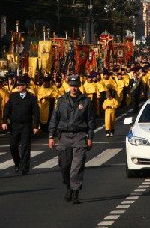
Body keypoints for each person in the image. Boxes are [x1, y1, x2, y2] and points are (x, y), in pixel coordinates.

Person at [48, 74, 95, 205]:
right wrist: (51, 136)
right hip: (63, 136)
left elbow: (90, 120)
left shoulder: (85, 101)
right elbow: (54, 118)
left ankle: (75, 192)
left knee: (77, 166)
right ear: (68, 86)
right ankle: (68, 186)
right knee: (65, 165)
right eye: (72, 85)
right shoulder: (61, 100)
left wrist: (90, 137)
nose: (74, 88)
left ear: (79, 86)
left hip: (80, 135)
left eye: (76, 86)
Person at [1, 78, 40, 175]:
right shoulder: (13, 97)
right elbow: (7, 109)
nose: (18, 87)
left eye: (20, 85)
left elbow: (36, 112)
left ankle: (24, 167)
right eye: (17, 85)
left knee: (25, 147)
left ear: (25, 86)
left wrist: (36, 125)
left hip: (26, 125)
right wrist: (4, 121)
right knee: (13, 146)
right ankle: (17, 162)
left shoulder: (31, 97)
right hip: (15, 125)